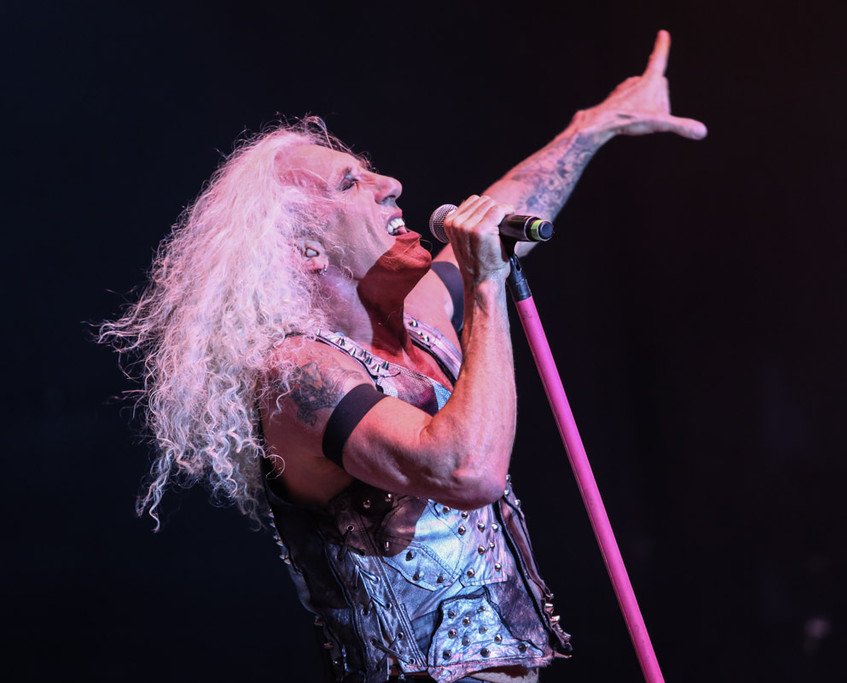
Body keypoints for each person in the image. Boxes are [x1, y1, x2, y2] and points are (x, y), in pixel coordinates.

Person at [102, 30, 705, 683]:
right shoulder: (301, 371)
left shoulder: (419, 323)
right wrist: (486, 284)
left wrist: (595, 125)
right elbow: (467, 472)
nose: (390, 183)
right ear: (306, 247)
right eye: (350, 182)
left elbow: (505, 210)